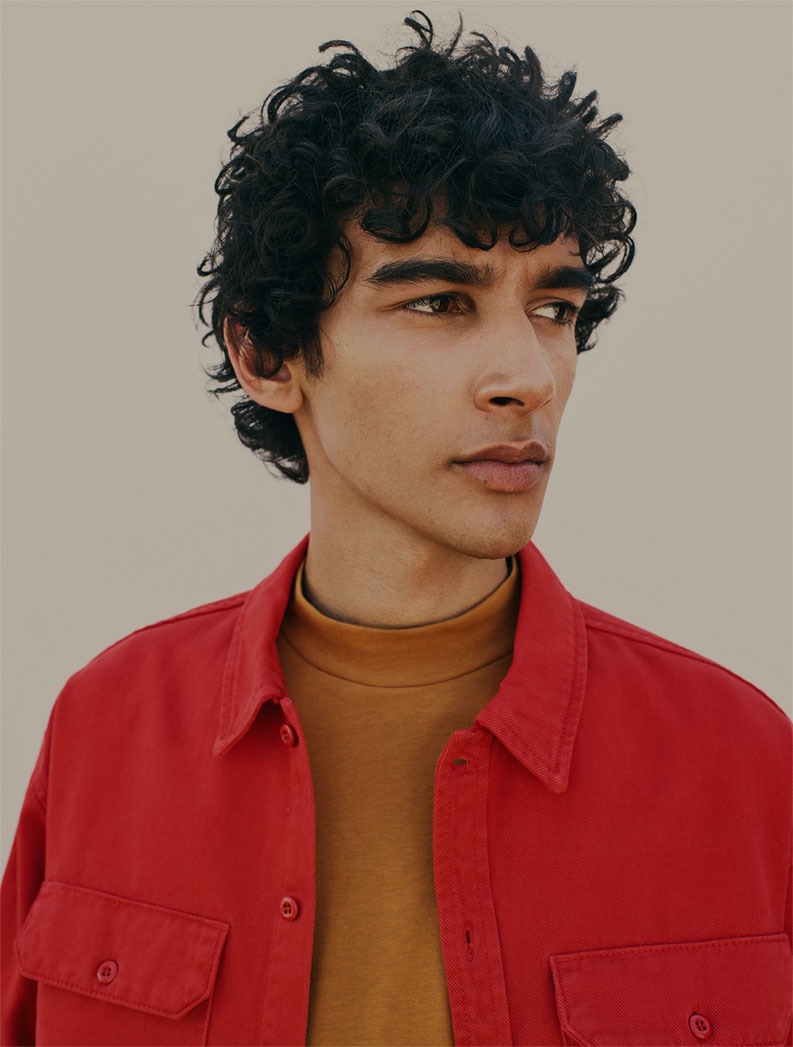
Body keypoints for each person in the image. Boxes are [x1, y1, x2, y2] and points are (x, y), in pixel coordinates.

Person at [2, 11, 790, 1047]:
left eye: (554, 308)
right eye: (437, 303)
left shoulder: (739, 762)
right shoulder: (107, 727)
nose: (525, 377)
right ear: (269, 356)